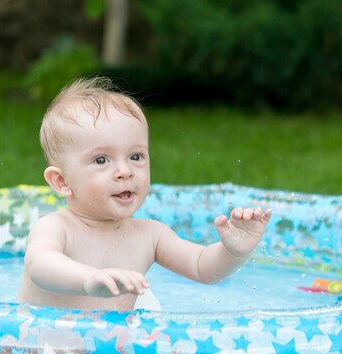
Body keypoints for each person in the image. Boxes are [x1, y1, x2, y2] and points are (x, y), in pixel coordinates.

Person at [18, 77, 272, 311]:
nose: (124, 171)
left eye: (136, 156)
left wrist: (234, 252)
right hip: (47, 351)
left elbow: (202, 267)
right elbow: (40, 265)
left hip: (113, 353)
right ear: (61, 181)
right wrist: (88, 278)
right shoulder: (55, 228)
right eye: (101, 160)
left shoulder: (150, 236)